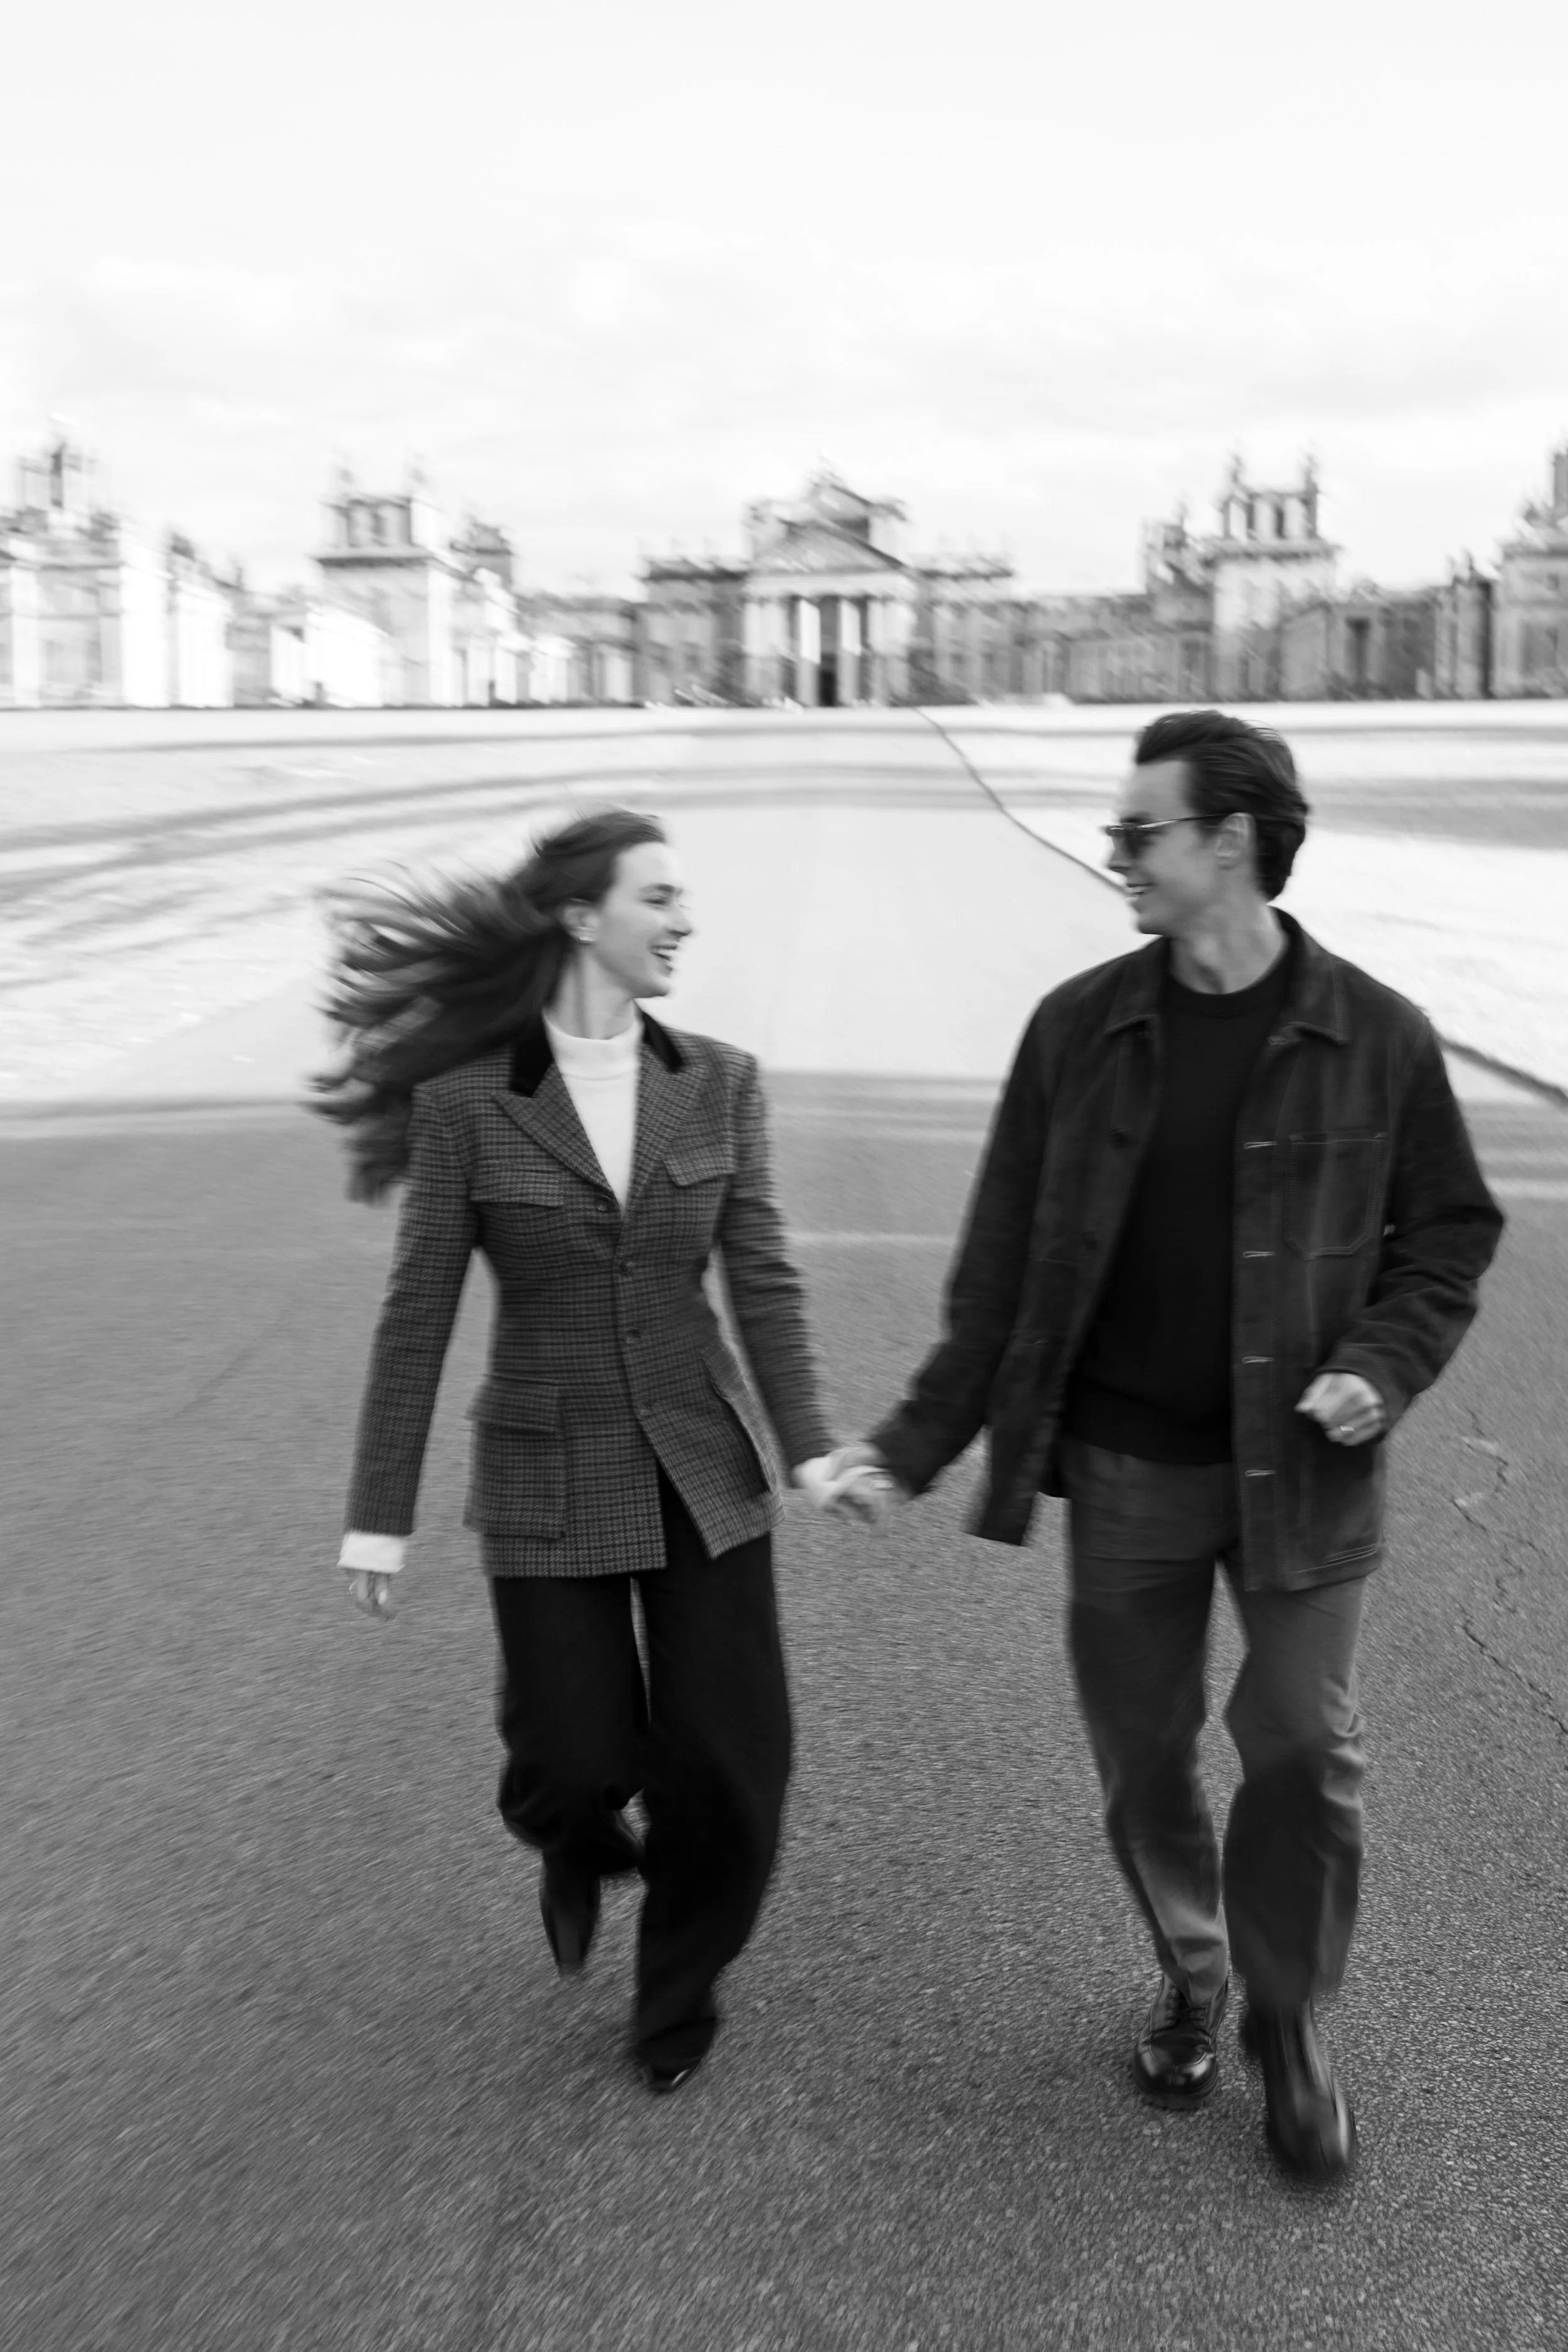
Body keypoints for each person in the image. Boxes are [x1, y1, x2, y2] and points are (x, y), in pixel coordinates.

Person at [832, 709, 1503, 2180]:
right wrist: (907, 1443)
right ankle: (1193, 1968)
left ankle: (1285, 2016)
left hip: (1304, 1471)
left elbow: (1446, 1232)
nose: (1113, 852)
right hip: (1128, 1471)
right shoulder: (1079, 1027)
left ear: (1231, 842)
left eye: (1138, 832)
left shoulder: (1374, 1032)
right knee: (1141, 1760)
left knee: (1300, 1749)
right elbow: (999, 1267)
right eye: (1117, 832)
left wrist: (1377, 1366)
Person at [315, 808, 876, 2095]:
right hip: (544, 1465)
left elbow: (763, 1279)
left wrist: (806, 1449)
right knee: (572, 1763)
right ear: (582, 916)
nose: (683, 922)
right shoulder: (468, 1105)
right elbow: (417, 1317)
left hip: (701, 1462)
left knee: (731, 1766)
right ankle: (570, 1840)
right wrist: (376, 1511)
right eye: (657, 897)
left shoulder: (719, 1079)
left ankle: (675, 1992)